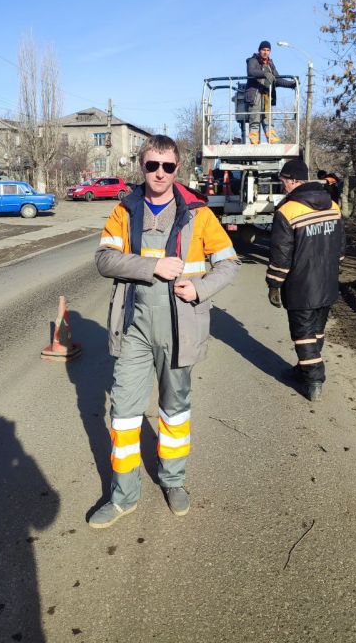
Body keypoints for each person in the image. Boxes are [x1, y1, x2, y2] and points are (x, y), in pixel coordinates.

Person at [89, 134, 240, 528]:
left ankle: (173, 481)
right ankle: (124, 497)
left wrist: (201, 287)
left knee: (174, 412)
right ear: (141, 166)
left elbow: (229, 263)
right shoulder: (125, 211)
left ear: (178, 169)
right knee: (123, 415)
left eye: (167, 166)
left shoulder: (199, 213)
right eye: (152, 165)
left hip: (179, 330)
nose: (159, 173)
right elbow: (104, 259)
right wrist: (149, 266)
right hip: (134, 331)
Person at [266, 158, 345, 402]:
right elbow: (341, 246)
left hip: (301, 285)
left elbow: (281, 253)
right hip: (328, 281)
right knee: (316, 331)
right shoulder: (333, 206)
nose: (282, 187)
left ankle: (313, 379)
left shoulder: (287, 211)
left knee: (303, 333)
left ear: (291, 181)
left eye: (283, 182)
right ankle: (303, 368)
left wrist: (274, 284)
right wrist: (334, 267)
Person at [245, 40, 282, 145]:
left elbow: (278, 79)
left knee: (268, 121)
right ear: (259, 50)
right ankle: (254, 143)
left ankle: (273, 143)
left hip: (266, 97)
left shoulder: (270, 64)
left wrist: (292, 84)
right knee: (255, 121)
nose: (266, 52)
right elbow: (251, 71)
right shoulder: (253, 60)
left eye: (268, 50)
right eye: (263, 50)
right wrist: (265, 74)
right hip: (255, 97)